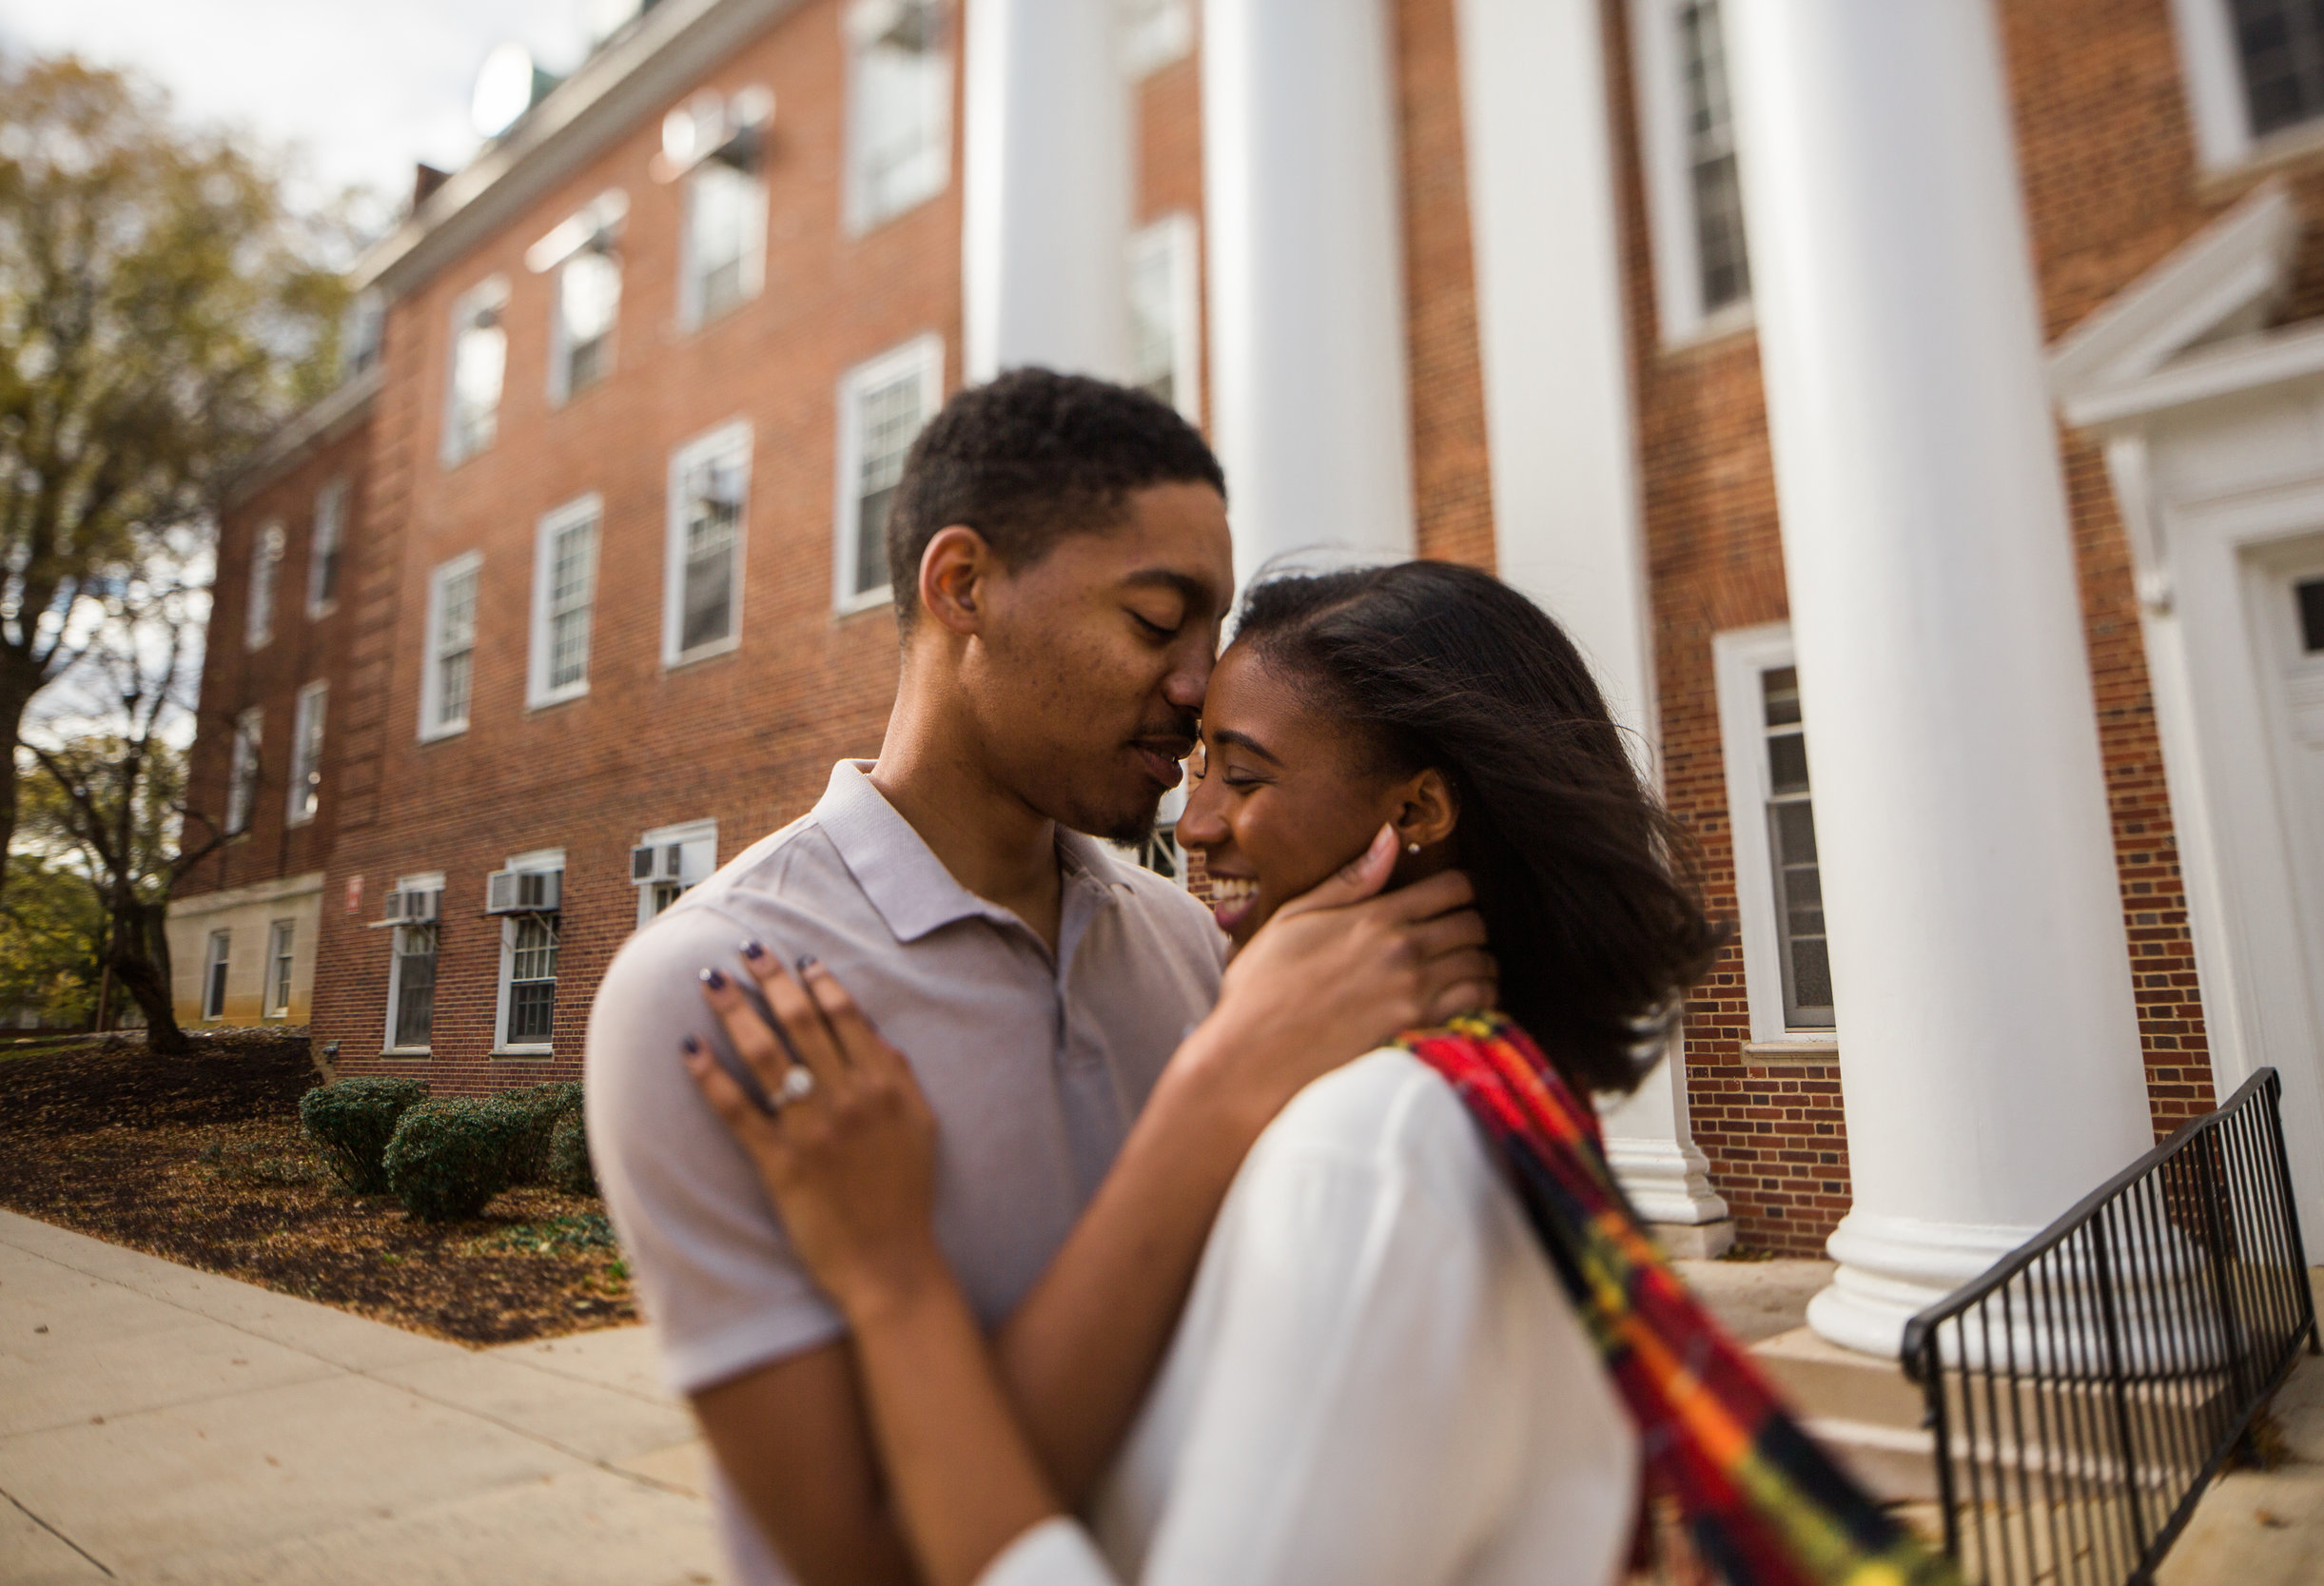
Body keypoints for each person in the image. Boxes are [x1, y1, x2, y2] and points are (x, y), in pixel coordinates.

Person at [685, 562, 1961, 1586]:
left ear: (1420, 811)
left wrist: (892, 1276)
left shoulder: (1371, 1146)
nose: (1189, 823)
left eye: (1244, 773)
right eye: (1195, 769)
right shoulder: (1486, 1091)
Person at [584, 372, 1496, 1586]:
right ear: (962, 585)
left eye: (1210, 633)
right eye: (1156, 618)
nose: (1197, 684)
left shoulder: (1191, 944)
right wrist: (1218, 1092)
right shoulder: (713, 992)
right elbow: (860, 1562)